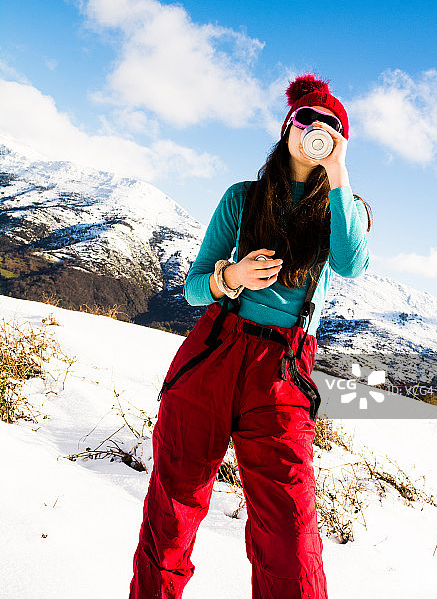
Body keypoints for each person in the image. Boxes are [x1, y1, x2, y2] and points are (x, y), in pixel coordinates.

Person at [129, 73, 371, 599]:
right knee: (172, 510)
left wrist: (338, 174)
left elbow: (352, 264)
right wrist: (231, 276)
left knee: (290, 532)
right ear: (288, 127)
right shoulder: (242, 198)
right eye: (307, 119)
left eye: (331, 127)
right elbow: (194, 288)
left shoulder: (343, 210)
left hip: (282, 371)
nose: (316, 131)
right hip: (215, 351)